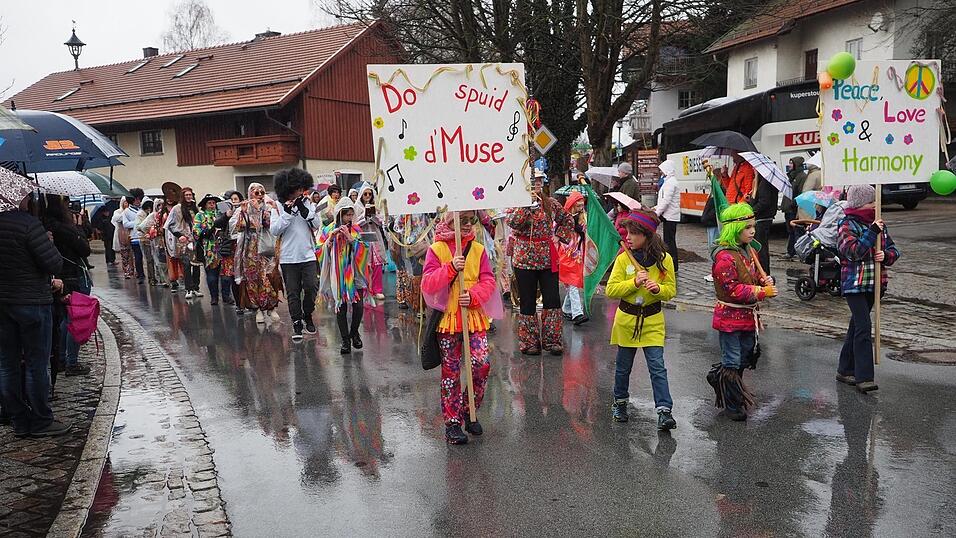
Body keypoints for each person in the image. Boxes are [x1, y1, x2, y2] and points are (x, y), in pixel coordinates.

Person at [421, 211, 502, 445]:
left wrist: (475, 295)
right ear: (448, 221)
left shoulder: (478, 250)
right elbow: (428, 284)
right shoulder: (435, 250)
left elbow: (488, 280)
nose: (467, 225)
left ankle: (470, 409)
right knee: (451, 371)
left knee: (481, 364)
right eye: (461, 220)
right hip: (448, 319)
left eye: (470, 220)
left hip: (473, 317)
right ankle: (452, 422)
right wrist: (449, 268)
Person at [0, 202, 71, 437]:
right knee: (36, 364)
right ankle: (41, 420)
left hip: (2, 304)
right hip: (31, 302)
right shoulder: (28, 224)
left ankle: (19, 421)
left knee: (7, 365)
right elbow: (53, 263)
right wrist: (48, 242)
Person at [605, 210, 677, 429]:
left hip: (653, 321)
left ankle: (664, 411)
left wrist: (658, 289)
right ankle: (620, 402)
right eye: (627, 232)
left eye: (633, 233)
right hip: (627, 321)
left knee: (657, 367)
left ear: (646, 235)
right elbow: (611, 289)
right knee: (623, 367)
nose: (628, 237)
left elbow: (670, 290)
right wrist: (633, 283)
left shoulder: (664, 260)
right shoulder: (623, 259)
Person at [708, 203, 777, 421]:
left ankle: (717, 377)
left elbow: (752, 278)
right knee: (733, 359)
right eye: (747, 227)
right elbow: (732, 289)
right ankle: (732, 404)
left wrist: (764, 281)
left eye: (753, 226)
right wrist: (761, 291)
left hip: (748, 316)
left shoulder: (750, 252)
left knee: (746, 355)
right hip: (729, 317)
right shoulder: (725, 257)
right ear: (735, 228)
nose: (752, 231)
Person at [836, 184, 900, 393]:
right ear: (861, 203)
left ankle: (845, 369)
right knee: (863, 327)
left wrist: (887, 256)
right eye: (872, 202)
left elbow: (893, 249)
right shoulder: (846, 224)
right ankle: (864, 376)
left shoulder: (879, 224)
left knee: (856, 326)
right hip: (854, 285)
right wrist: (872, 233)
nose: (875, 206)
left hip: (875, 284)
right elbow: (853, 252)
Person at [507, 174, 574, 355]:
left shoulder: (550, 203)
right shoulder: (517, 204)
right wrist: (526, 206)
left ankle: (552, 341)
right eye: (532, 181)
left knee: (552, 299)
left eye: (538, 181)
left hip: (547, 259)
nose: (536, 184)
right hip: (524, 260)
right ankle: (529, 343)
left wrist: (558, 235)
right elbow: (513, 222)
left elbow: (568, 219)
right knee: (527, 301)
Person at [42, 195, 93, 377]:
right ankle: (71, 361)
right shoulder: (63, 228)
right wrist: (77, 226)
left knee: (64, 320)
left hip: (60, 277)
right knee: (74, 320)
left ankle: (62, 360)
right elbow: (85, 248)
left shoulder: (44, 225)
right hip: (72, 276)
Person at [271, 167, 320, 340]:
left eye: (302, 187)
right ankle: (297, 323)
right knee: (293, 292)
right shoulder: (277, 207)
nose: (300, 191)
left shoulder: (307, 202)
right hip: (288, 257)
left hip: (308, 255)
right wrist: (288, 213)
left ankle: (307, 314)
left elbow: (317, 224)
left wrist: (305, 210)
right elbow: (275, 230)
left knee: (312, 287)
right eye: (297, 188)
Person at [317, 197, 369, 353]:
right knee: (341, 306)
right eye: (346, 214)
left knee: (358, 306)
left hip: (355, 275)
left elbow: (365, 250)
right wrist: (331, 239)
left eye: (350, 214)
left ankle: (354, 333)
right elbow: (319, 250)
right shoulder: (328, 229)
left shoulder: (357, 229)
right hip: (338, 276)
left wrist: (350, 238)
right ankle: (345, 340)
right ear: (339, 214)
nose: (348, 218)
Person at [231, 183, 282, 325]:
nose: (259, 195)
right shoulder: (244, 208)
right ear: (250, 194)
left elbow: (272, 224)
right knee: (253, 278)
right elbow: (236, 228)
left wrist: (265, 210)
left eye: (261, 192)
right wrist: (243, 213)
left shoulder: (267, 207)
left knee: (269, 277)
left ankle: (271, 307)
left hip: (266, 247)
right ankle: (258, 308)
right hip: (250, 248)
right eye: (256, 192)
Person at [193, 194, 234, 306]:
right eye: (209, 203)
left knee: (226, 275)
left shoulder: (220, 213)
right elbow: (196, 232)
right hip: (209, 249)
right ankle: (214, 297)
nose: (212, 205)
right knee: (212, 276)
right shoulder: (199, 215)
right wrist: (210, 231)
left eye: (213, 203)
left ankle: (226, 296)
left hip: (223, 247)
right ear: (205, 205)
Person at [387, 213, 433, 311]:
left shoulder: (424, 210)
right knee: (408, 272)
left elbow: (429, 222)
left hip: (422, 243)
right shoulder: (401, 209)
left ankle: (420, 303)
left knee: (422, 272)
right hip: (406, 244)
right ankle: (415, 303)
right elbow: (394, 226)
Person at [165, 187, 203, 299]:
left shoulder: (195, 208)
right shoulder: (177, 208)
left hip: (195, 240)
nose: (188, 197)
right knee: (186, 264)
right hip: (183, 241)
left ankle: (196, 287)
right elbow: (169, 224)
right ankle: (189, 288)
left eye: (190, 195)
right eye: (186, 195)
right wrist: (179, 235)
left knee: (196, 264)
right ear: (183, 196)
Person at [354, 184, 387, 301]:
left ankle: (377, 290)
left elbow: (381, 222)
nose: (368, 196)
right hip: (363, 237)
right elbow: (355, 224)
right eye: (365, 194)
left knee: (377, 264)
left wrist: (373, 217)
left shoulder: (376, 206)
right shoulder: (356, 207)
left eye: (369, 194)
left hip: (375, 238)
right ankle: (366, 289)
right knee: (365, 265)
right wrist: (365, 217)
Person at [559, 191, 588, 325]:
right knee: (572, 284)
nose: (580, 209)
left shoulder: (584, 218)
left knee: (574, 284)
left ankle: (567, 308)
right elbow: (558, 234)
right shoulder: (563, 218)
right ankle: (577, 313)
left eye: (581, 206)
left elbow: (586, 232)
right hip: (565, 255)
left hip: (578, 255)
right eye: (577, 206)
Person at [654, 160, 681, 273]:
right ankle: (671, 265)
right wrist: (656, 208)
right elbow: (663, 200)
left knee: (670, 242)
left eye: (662, 170)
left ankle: (672, 265)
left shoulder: (671, 182)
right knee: (669, 241)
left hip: (670, 216)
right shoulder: (669, 181)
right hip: (668, 215)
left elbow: (666, 200)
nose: (661, 172)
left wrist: (657, 212)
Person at [220, 191, 244, 314]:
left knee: (246, 276)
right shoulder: (225, 213)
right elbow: (217, 224)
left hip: (243, 247)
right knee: (234, 277)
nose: (234, 202)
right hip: (230, 248)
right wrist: (226, 216)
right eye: (231, 200)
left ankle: (247, 302)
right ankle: (239, 304)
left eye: (236, 199)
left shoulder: (245, 211)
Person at [751, 173, 779, 274]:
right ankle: (762, 272)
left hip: (762, 219)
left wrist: (752, 210)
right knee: (761, 247)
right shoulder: (764, 181)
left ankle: (764, 273)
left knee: (761, 248)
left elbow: (764, 202)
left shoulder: (765, 183)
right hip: (763, 218)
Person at [138, 199, 170, 288]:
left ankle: (169, 279)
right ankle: (163, 279)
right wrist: (151, 232)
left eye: (162, 205)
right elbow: (141, 227)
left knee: (168, 260)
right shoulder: (153, 216)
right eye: (159, 205)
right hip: (158, 241)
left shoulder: (167, 214)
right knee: (160, 261)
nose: (161, 207)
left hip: (167, 240)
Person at [781, 157, 807, 260]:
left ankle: (798, 252)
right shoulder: (791, 176)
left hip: (794, 209)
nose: (789, 165)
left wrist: (793, 204)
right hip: (788, 209)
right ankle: (791, 251)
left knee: (797, 232)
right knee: (791, 232)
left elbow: (800, 193)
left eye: (791, 163)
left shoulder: (801, 177)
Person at [123, 188, 146, 281]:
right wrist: (137, 223)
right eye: (135, 199)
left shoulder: (143, 209)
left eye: (139, 199)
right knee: (138, 257)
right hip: (135, 237)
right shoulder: (127, 211)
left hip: (145, 236)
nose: (137, 201)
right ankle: (140, 274)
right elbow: (125, 224)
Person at [136, 200, 159, 286]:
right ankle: (151, 278)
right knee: (150, 260)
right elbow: (139, 227)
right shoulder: (143, 215)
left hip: (156, 240)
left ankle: (160, 278)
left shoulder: (158, 215)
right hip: (145, 240)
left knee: (159, 260)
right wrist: (147, 232)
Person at [92, 198, 118, 266]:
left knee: (112, 248)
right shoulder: (101, 219)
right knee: (108, 248)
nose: (108, 213)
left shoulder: (109, 218)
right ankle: (108, 260)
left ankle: (113, 259)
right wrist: (100, 231)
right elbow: (99, 228)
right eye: (106, 212)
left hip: (111, 234)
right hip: (106, 236)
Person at [112, 197, 134, 279]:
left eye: (128, 202)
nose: (127, 204)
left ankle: (133, 270)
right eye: (125, 202)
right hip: (122, 234)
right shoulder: (117, 212)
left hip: (131, 233)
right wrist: (125, 214)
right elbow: (116, 219)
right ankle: (127, 271)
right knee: (125, 253)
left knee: (133, 253)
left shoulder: (132, 211)